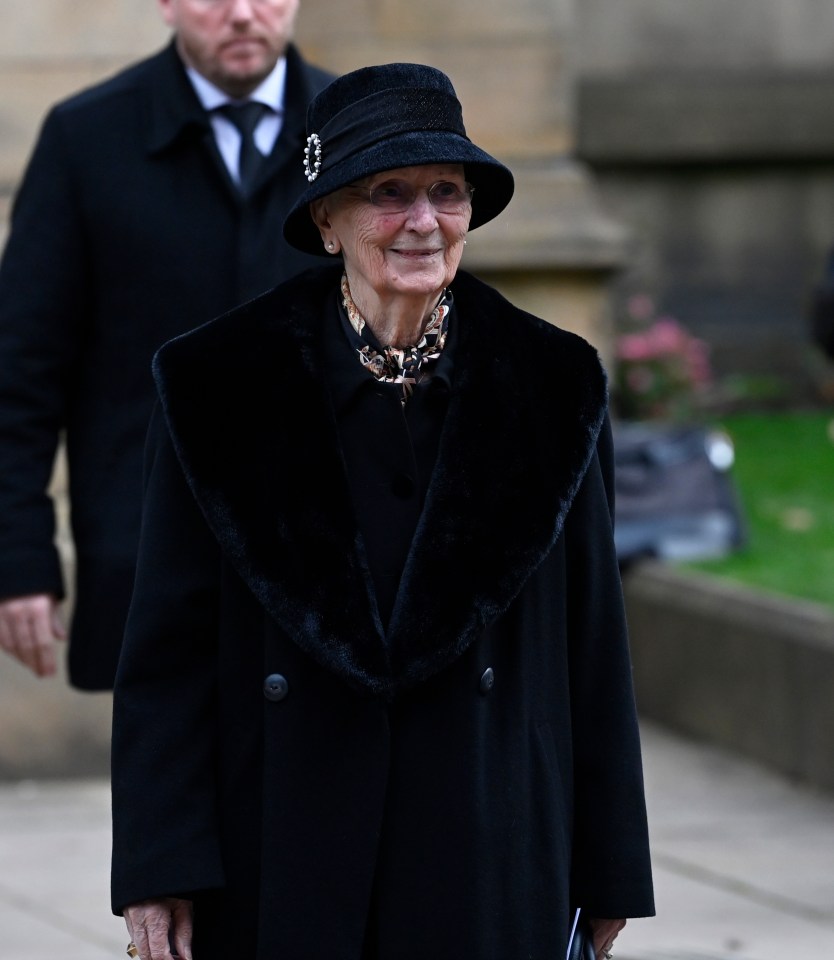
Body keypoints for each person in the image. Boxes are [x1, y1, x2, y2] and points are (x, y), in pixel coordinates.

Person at [111, 62, 655, 960]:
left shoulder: (555, 383)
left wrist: (610, 870)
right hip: (281, 847)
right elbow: (166, 652)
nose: (423, 221)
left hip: (492, 842)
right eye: (387, 193)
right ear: (326, 220)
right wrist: (158, 866)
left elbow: (592, 649)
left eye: (447, 191)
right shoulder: (214, 384)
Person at [0, 0, 334, 689]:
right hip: (149, 548)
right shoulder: (86, 136)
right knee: (169, 789)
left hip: (331, 551)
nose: (242, 14)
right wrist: (19, 555)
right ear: (166, 4)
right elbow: (20, 368)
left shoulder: (356, 128)